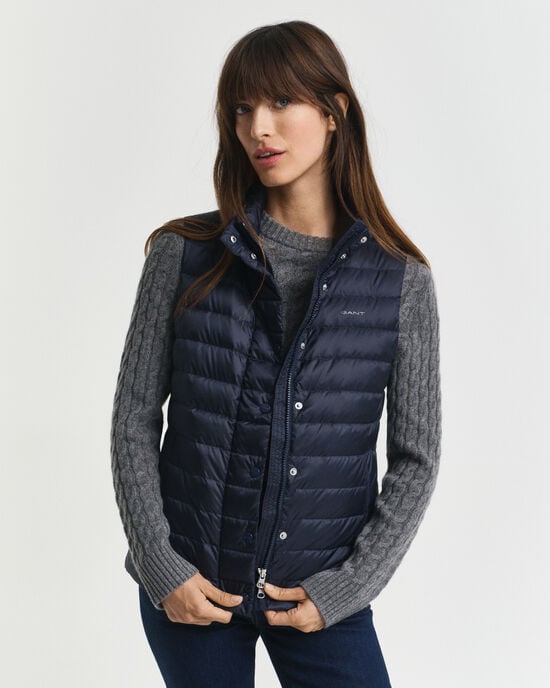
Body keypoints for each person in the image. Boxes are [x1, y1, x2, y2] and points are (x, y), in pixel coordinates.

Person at [110, 19, 442, 688]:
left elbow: (417, 457)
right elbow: (133, 420)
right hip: (193, 591)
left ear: (334, 112)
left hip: (320, 596)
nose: (259, 127)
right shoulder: (183, 254)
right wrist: (161, 567)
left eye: (281, 101)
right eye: (241, 109)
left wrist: (348, 588)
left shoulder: (399, 280)